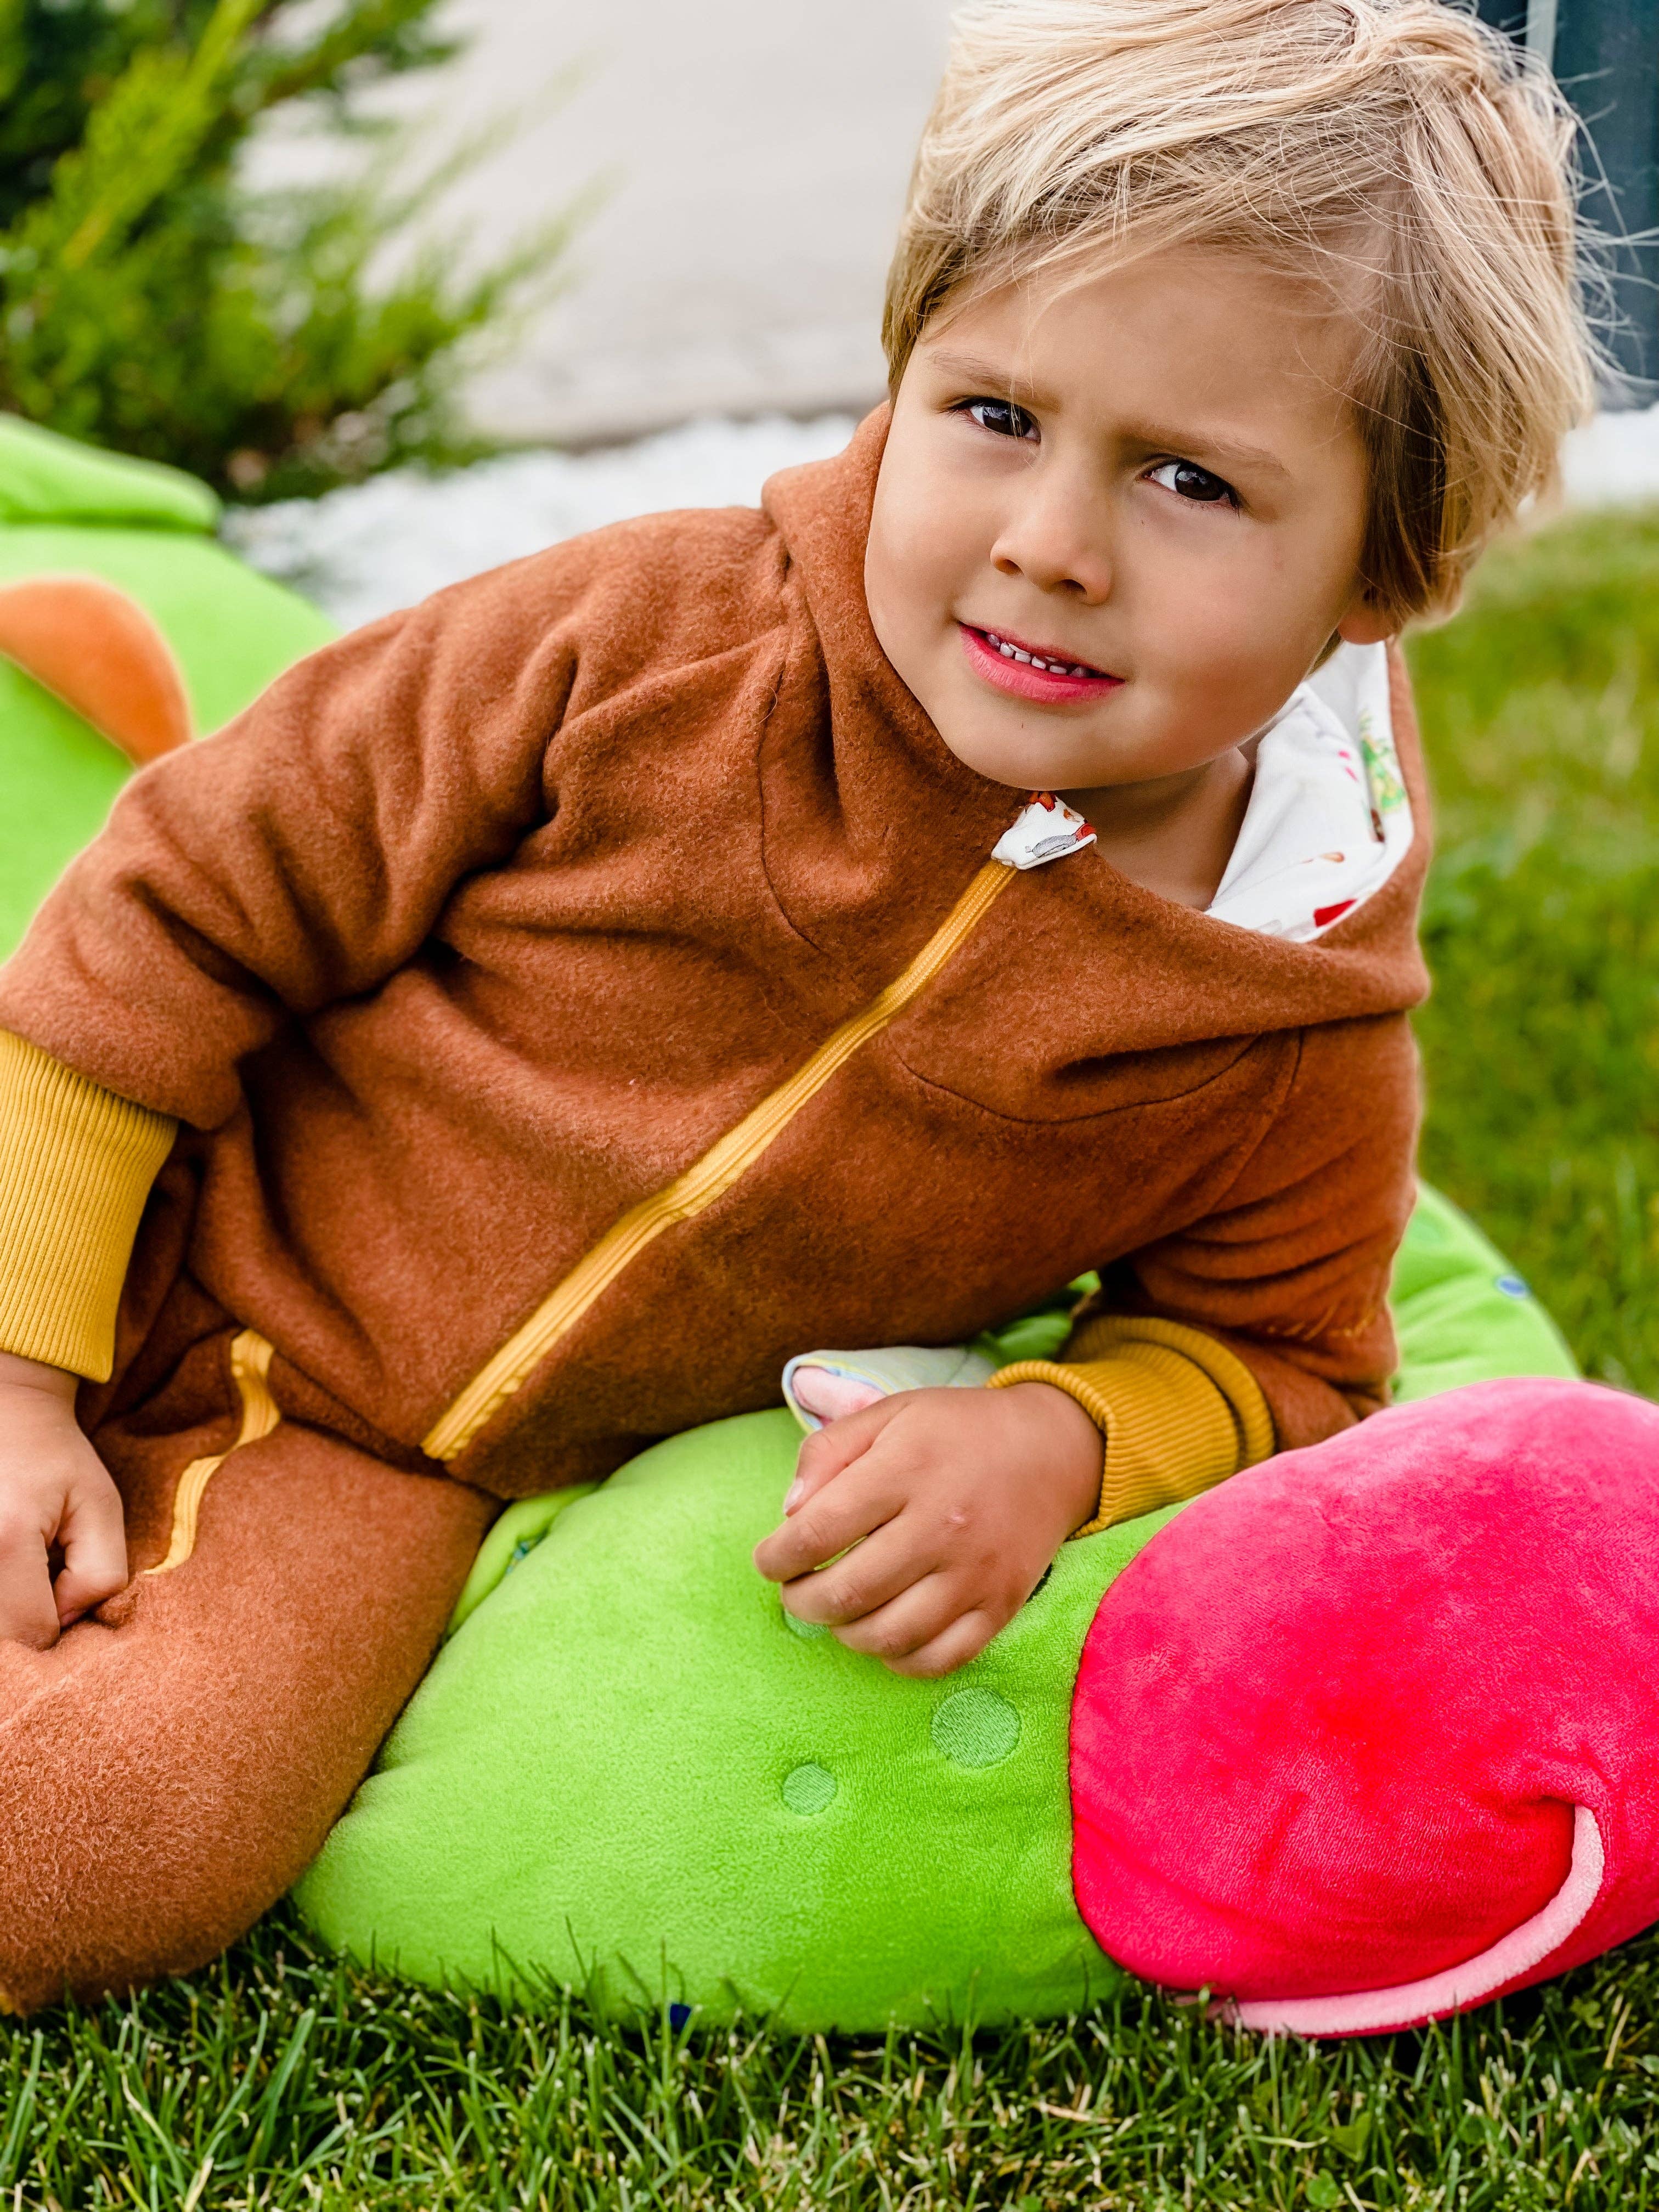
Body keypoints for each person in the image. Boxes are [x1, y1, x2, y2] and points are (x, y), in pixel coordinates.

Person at [0, 0, 1594, 2008]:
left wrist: (1059, 1440)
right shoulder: (649, 641)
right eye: (994, 414)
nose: (1049, 544)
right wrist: (19, 1376)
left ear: (1386, 567)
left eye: (1190, 479)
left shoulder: (1291, 1003)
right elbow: (174, 904)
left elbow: (1284, 1355)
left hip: (366, 1461)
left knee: (92, 1855)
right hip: (157, 1190)